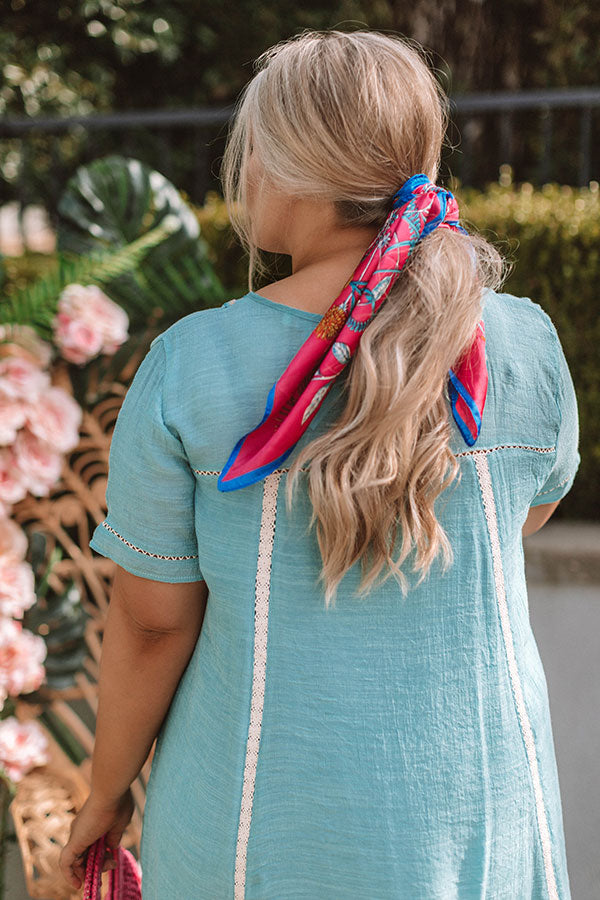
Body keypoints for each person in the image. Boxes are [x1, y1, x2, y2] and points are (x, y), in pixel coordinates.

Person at [59, 29, 580, 900]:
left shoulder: (193, 364)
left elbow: (153, 625)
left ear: (290, 167)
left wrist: (105, 795)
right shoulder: (524, 339)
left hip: (253, 834)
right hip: (487, 825)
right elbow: (524, 518)